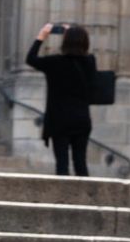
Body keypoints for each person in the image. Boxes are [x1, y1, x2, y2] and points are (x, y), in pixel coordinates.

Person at [27, 21, 97, 176]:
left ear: (65, 41)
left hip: (59, 119)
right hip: (81, 119)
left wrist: (41, 37)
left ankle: (63, 197)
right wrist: (73, 33)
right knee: (80, 163)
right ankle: (84, 198)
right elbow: (83, 54)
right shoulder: (90, 62)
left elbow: (30, 59)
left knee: (62, 164)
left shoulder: (54, 62)